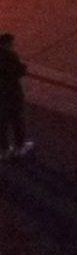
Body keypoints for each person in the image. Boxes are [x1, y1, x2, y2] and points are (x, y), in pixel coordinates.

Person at [0, 32, 31, 160]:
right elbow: (18, 71)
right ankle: (20, 146)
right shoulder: (10, 55)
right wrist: (23, 68)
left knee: (1, 122)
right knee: (17, 119)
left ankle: (4, 149)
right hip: (11, 92)